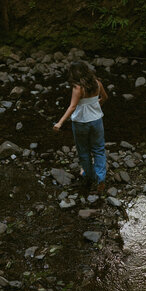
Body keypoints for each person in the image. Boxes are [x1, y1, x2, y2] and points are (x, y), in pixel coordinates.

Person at [53, 61, 108, 193]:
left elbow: (72, 107)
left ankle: (89, 176)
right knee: (99, 150)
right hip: (96, 121)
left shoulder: (78, 88)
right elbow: (105, 98)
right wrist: (94, 106)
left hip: (81, 123)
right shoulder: (97, 83)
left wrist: (60, 122)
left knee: (83, 150)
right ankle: (100, 178)